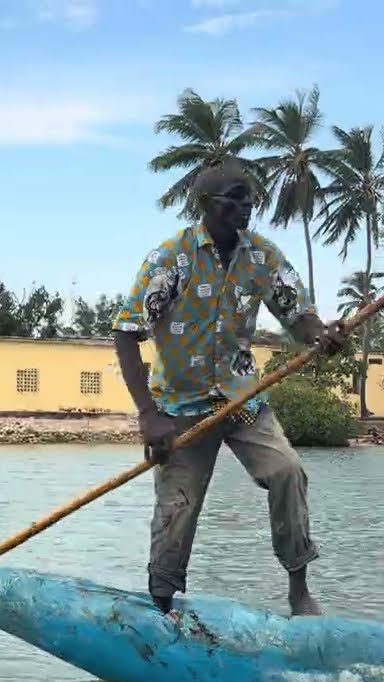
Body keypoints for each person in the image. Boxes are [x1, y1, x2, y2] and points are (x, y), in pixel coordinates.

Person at [110, 158, 347, 617]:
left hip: (241, 403)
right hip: (180, 408)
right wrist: (148, 415)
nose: (245, 209)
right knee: (177, 509)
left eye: (249, 200)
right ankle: (161, 604)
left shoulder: (262, 256)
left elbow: (296, 315)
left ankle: (299, 592)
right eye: (233, 200)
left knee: (287, 471)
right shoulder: (170, 259)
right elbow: (126, 333)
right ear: (204, 205)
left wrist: (320, 336)